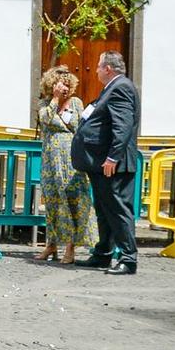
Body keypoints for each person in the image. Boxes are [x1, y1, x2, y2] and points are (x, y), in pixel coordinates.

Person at [71, 50, 140, 273]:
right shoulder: (111, 88)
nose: (97, 70)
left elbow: (123, 125)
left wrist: (112, 157)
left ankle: (129, 258)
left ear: (108, 68)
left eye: (99, 66)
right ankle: (103, 253)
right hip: (101, 162)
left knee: (118, 209)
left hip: (113, 163)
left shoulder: (121, 87)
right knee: (104, 209)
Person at [35, 66, 96, 264]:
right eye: (61, 85)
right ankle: (51, 245)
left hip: (71, 159)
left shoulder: (77, 103)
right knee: (53, 202)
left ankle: (71, 247)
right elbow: (45, 120)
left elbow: (82, 127)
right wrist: (54, 99)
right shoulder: (45, 104)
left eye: (68, 85)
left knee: (73, 201)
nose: (65, 89)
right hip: (51, 160)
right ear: (52, 85)